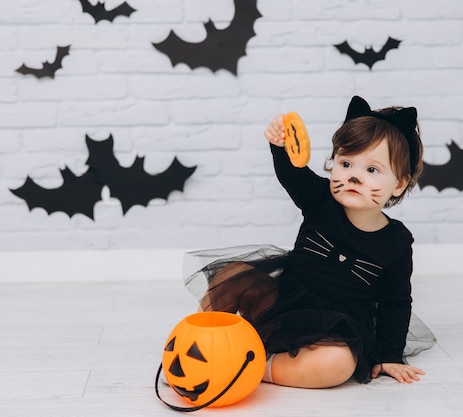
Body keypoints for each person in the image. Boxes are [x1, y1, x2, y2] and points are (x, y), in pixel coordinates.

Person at [184, 95, 434, 389]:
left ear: (400, 183)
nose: (354, 176)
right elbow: (292, 173)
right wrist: (279, 146)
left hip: (337, 328)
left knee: (338, 365)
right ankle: (202, 345)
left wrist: (390, 355)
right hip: (282, 304)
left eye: (371, 170)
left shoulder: (396, 241)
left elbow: (396, 301)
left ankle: (256, 366)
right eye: (345, 163)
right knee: (233, 274)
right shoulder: (320, 200)